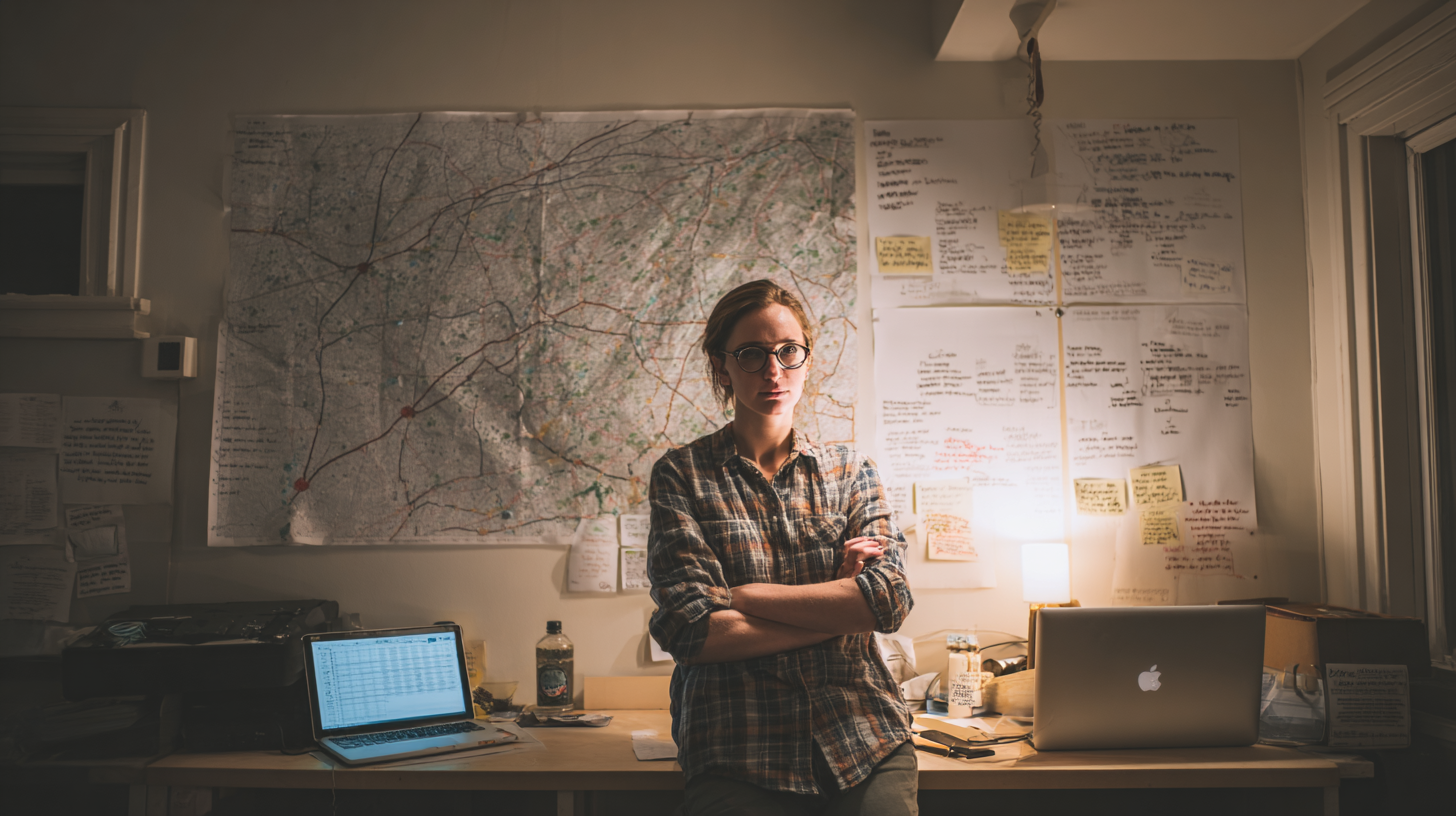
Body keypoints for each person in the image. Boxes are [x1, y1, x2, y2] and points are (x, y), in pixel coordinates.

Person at [648, 279, 917, 815]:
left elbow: (886, 603)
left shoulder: (851, 472)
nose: (774, 372)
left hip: (862, 732)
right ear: (722, 366)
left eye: (788, 352)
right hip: (736, 740)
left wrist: (741, 596)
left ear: (807, 360)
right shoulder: (682, 474)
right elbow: (694, 631)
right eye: (751, 354)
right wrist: (839, 602)